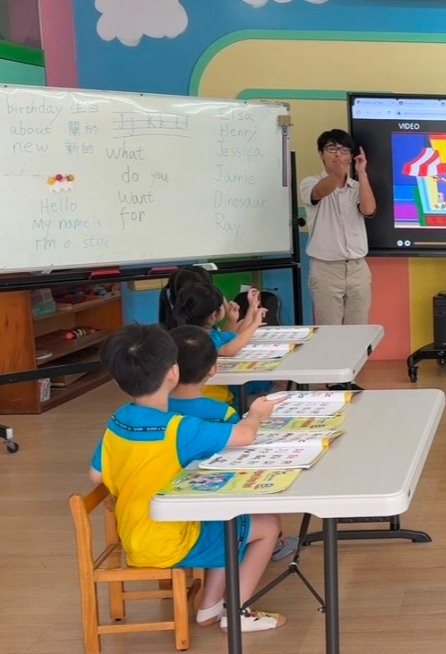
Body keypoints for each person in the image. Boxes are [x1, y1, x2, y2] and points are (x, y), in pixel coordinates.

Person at [88, 324, 286, 632]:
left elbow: (96, 475)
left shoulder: (118, 420)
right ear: (173, 372)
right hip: (171, 540)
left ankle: (209, 607)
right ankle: (239, 613)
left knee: (228, 522)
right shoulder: (178, 428)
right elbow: (244, 435)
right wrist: (257, 414)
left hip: (134, 536)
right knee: (267, 527)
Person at [167, 326, 298, 561]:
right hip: (217, 497)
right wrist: (255, 417)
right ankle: (275, 543)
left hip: (171, 499)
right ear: (213, 368)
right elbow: (241, 449)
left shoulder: (160, 411)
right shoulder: (221, 413)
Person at [299, 129, 376, 325]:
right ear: (321, 154)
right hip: (326, 269)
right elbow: (319, 192)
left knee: (358, 330)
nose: (338, 154)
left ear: (351, 156)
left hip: (358, 268)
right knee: (329, 331)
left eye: (344, 150)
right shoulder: (310, 182)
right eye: (332, 149)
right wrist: (337, 172)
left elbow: (368, 209)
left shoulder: (357, 186)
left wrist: (362, 173)